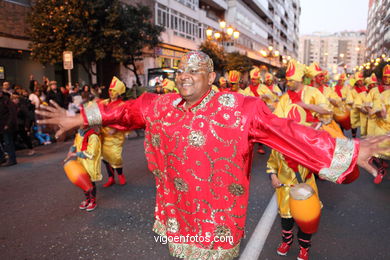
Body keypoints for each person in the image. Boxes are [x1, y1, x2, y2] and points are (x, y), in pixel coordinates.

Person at [37, 51, 390, 260]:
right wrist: (77, 117)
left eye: (194, 71)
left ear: (212, 77)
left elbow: (288, 134)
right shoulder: (160, 106)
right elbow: (124, 112)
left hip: (219, 218)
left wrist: (347, 149)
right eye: (181, 70)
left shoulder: (241, 109)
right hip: (177, 214)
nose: (184, 76)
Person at [98, 77, 129, 187]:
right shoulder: (103, 102)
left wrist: (115, 128)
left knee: (115, 156)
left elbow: (126, 121)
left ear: (119, 93)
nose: (111, 93)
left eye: (114, 91)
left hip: (116, 135)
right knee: (105, 157)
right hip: (103, 134)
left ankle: (120, 174)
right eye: (110, 90)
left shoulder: (123, 105)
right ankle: (111, 178)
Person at [64, 126, 102, 211]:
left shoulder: (93, 137)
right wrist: (71, 150)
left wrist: (75, 154)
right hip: (81, 162)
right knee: (83, 181)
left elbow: (91, 154)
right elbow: (75, 144)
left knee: (90, 182)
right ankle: (88, 199)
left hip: (90, 164)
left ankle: (93, 201)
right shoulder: (79, 134)